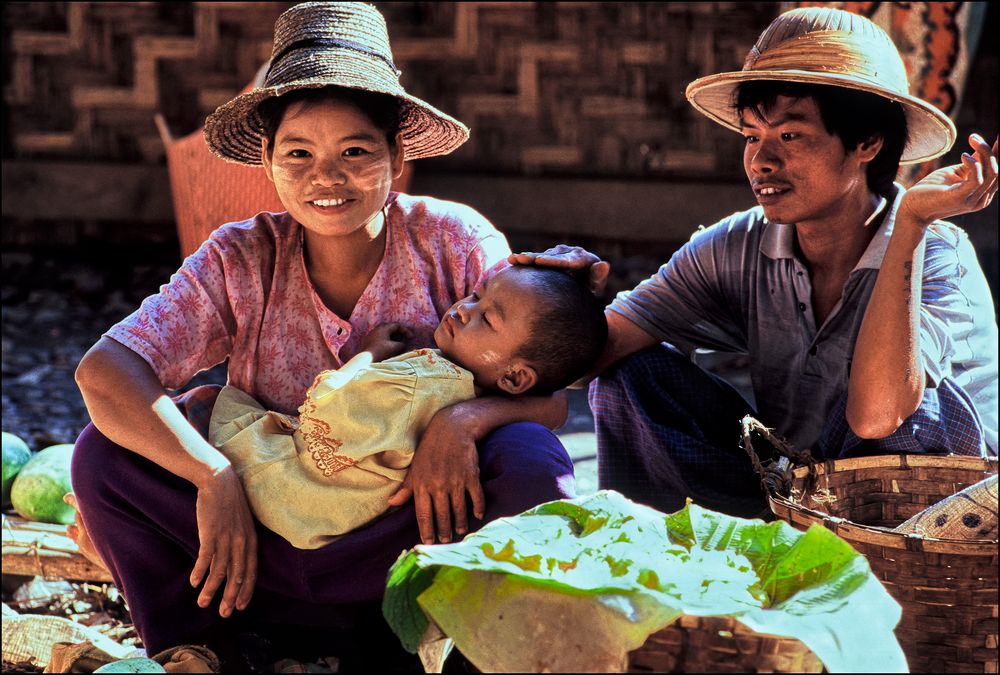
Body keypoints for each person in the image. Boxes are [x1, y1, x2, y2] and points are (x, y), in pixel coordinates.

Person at [68, 2, 576, 666]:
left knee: (530, 456)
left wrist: (460, 425)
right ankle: (201, 647)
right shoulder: (240, 257)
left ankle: (476, 655)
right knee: (100, 457)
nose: (325, 177)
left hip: (404, 548)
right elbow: (104, 372)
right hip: (256, 554)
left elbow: (548, 396)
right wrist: (212, 473)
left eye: (356, 151)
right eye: (298, 153)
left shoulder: (453, 241)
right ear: (269, 161)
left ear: (396, 155)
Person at [511, 6, 998, 518]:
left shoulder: (942, 256)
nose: (761, 161)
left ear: (866, 144)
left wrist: (910, 228)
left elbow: (879, 417)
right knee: (632, 379)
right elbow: (592, 355)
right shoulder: (741, 243)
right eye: (750, 136)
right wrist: (560, 308)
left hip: (930, 515)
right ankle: (663, 551)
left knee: (916, 410)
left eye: (790, 136)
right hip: (794, 491)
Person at [209, 265, 608, 550]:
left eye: (486, 318)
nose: (464, 308)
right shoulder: (462, 389)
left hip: (292, 496)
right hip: (333, 516)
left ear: (515, 379)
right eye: (476, 295)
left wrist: (366, 356)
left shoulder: (422, 383)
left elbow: (326, 406)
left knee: (210, 408)